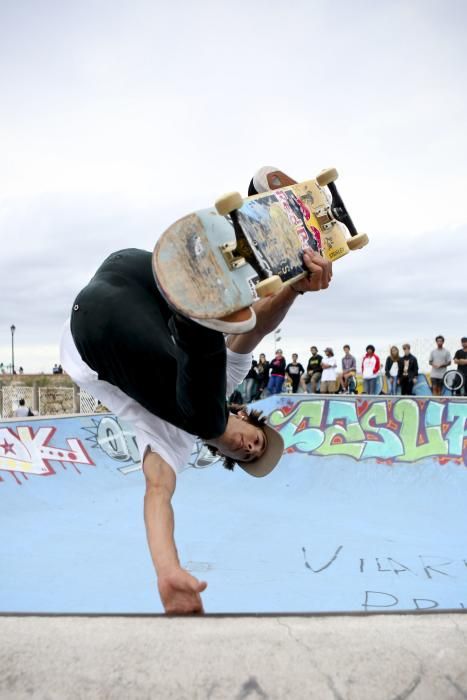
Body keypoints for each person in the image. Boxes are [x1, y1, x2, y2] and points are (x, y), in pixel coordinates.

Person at [60, 246, 332, 614]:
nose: (250, 449)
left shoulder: (175, 445)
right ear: (246, 415)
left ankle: (202, 316)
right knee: (231, 347)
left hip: (97, 334)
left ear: (222, 454)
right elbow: (259, 328)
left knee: (203, 417)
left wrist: (167, 568)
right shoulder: (227, 381)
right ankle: (238, 233)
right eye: (257, 441)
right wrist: (294, 289)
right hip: (133, 274)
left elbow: (158, 495)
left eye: (245, 456)